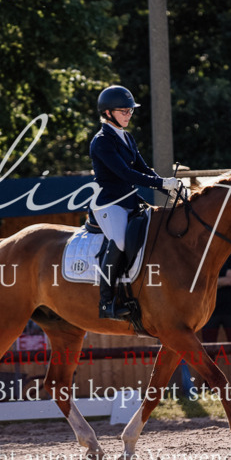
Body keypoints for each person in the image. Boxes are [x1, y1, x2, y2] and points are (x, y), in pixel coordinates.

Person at [88, 85, 180, 318]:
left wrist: (166, 183)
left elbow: (141, 167)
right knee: (119, 241)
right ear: (108, 113)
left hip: (128, 200)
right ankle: (105, 303)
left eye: (130, 111)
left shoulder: (126, 137)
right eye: (123, 111)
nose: (128, 115)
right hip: (108, 203)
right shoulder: (101, 141)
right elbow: (125, 174)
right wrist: (160, 185)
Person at [202, 253, 231, 386]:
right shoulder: (205, 257)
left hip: (230, 311)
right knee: (208, 350)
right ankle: (209, 385)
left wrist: (211, 281)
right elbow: (201, 280)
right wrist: (219, 281)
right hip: (209, 311)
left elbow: (230, 280)